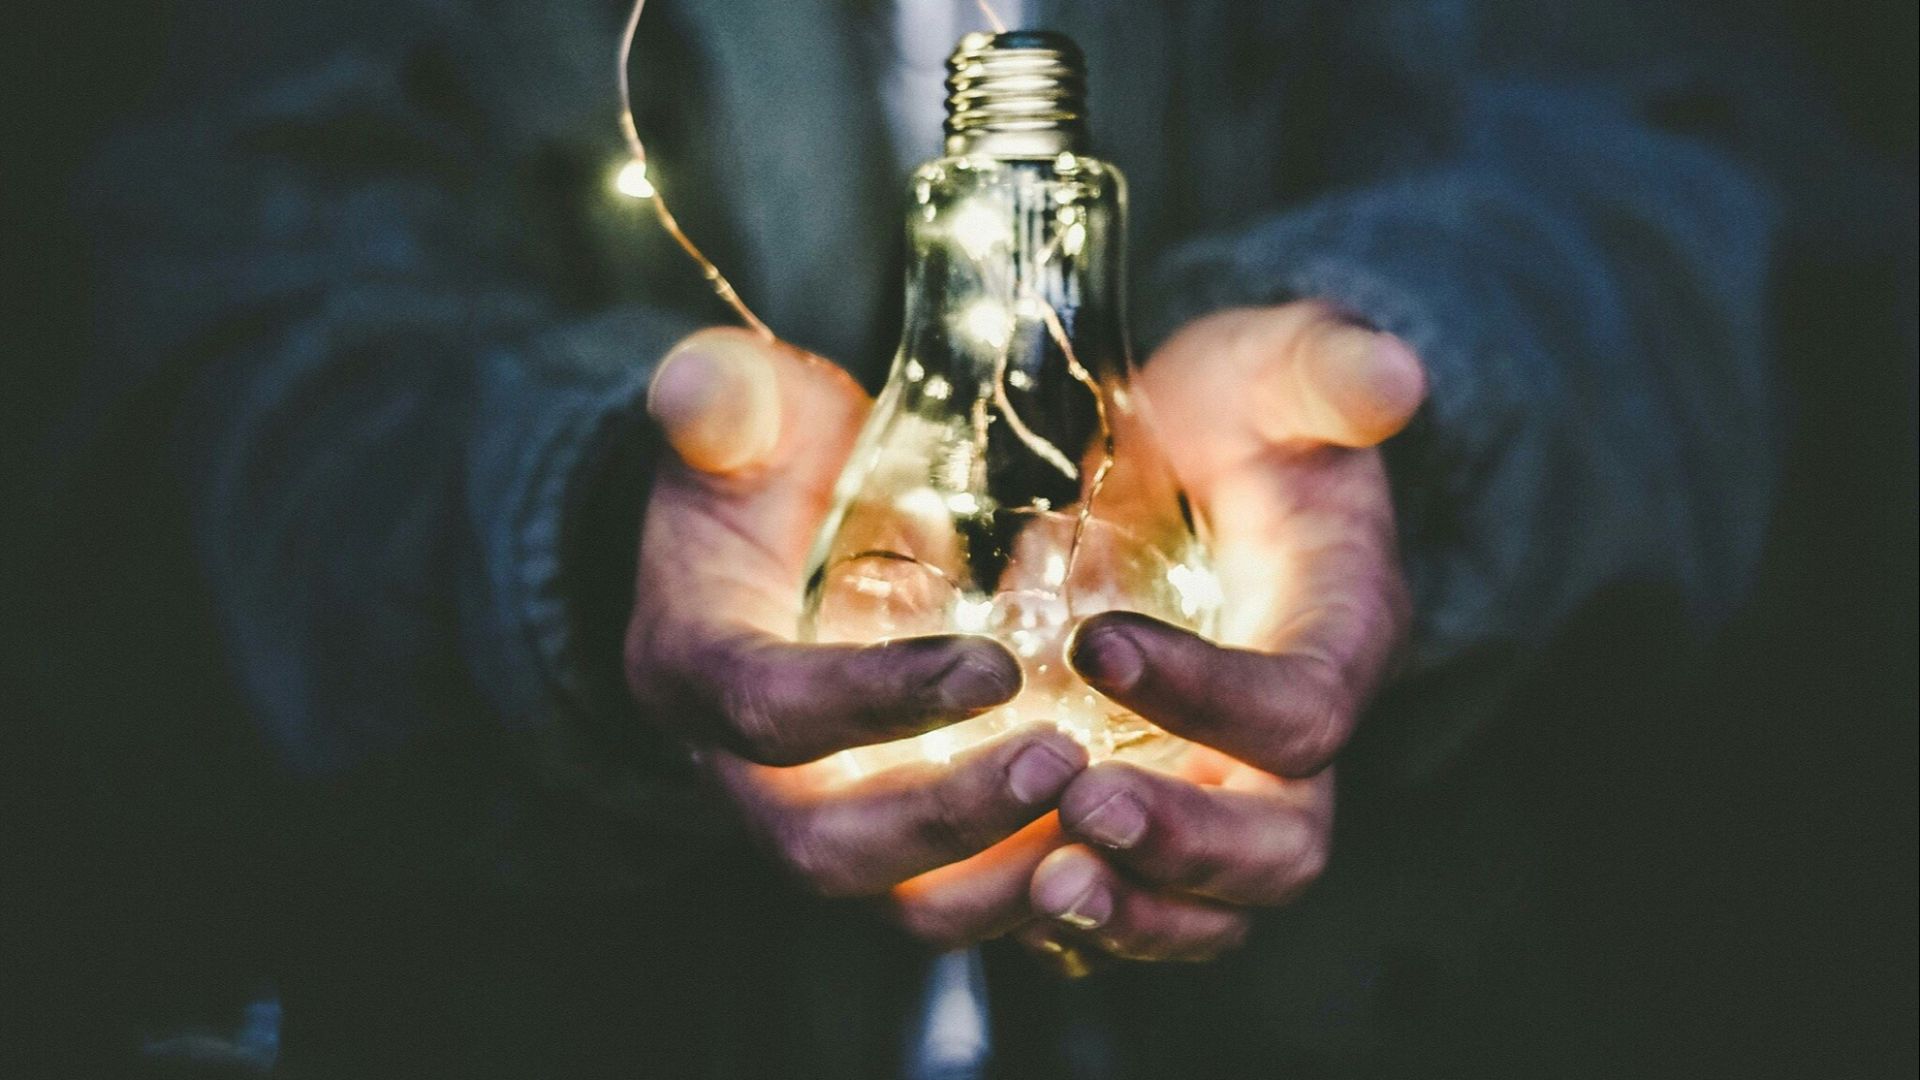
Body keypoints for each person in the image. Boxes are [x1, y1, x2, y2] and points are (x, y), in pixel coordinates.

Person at [57, 0, 1795, 1075]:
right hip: (598, 1006)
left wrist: (1412, 440)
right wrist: (587, 548)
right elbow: (171, 342)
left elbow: (1676, 176)